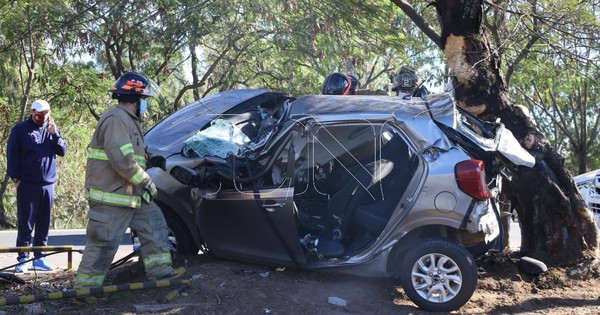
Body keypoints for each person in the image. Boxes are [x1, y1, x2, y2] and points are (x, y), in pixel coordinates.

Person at [74, 72, 184, 293]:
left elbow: (130, 155)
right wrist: (146, 182)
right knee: (103, 246)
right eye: (143, 100)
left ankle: (161, 274)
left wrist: (149, 159)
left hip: (131, 197)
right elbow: (123, 161)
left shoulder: (129, 121)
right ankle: (84, 292)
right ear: (134, 99)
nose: (145, 105)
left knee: (155, 226)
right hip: (112, 198)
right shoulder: (116, 120)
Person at [7, 99, 68, 272]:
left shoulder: (52, 128)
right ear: (32, 112)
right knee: (26, 221)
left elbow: (62, 151)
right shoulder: (20, 129)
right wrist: (16, 178)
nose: (42, 118)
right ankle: (23, 257)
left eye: (45, 115)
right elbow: (12, 155)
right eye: (39, 114)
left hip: (47, 184)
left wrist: (55, 134)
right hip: (27, 183)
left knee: (44, 222)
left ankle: (39, 257)